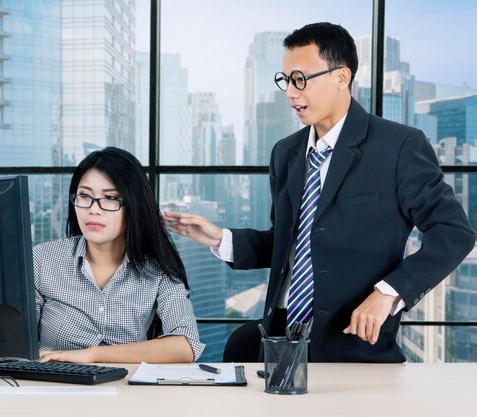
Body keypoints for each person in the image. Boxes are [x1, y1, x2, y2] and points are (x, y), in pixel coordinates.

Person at [164, 22, 475, 363]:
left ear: (341, 77)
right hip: (279, 336)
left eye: (300, 79)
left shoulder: (398, 146)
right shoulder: (286, 153)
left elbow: (453, 233)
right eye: (285, 81)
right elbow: (288, 242)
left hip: (351, 342)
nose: (290, 93)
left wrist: (388, 293)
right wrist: (220, 238)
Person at [36, 147, 204, 363]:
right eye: (85, 196)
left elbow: (185, 345)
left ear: (133, 206)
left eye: (110, 198)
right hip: (53, 387)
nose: (94, 209)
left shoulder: (157, 269)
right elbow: (13, 342)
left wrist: (93, 355)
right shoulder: (43, 259)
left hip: (128, 390)